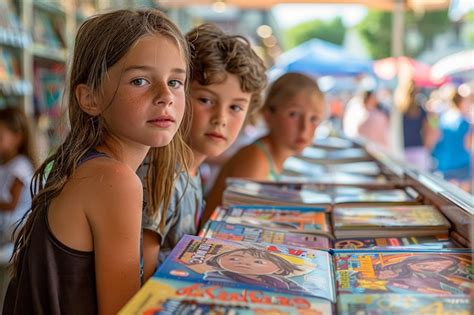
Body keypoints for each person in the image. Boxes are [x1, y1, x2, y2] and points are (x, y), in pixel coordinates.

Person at [4, 9, 190, 314]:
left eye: (175, 82)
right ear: (89, 98)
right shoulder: (113, 180)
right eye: (140, 80)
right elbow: (124, 311)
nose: (165, 96)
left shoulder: (86, 164)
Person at [141, 23, 267, 279]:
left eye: (235, 107)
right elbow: (140, 277)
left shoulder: (192, 170)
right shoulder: (159, 175)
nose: (220, 118)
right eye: (206, 100)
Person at [203, 73, 326, 224]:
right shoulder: (256, 160)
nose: (304, 128)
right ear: (268, 114)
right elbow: (238, 229)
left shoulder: (271, 157)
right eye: (293, 114)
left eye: (314, 119)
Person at [0, 107, 36, 246]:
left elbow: (11, 204)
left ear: (17, 138)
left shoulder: (20, 165)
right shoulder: (5, 164)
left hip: (15, 228)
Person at [204, 248, 308, 294]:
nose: (245, 263)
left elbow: (305, 295)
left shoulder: (283, 282)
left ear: (279, 269)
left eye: (259, 262)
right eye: (234, 259)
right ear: (218, 260)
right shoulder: (216, 276)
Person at [430, 90, 472, 191]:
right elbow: (468, 145)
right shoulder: (464, 121)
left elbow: (435, 138)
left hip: (444, 162)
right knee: (464, 197)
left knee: (448, 195)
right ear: (461, 102)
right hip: (461, 163)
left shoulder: (444, 118)